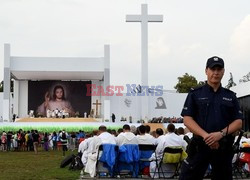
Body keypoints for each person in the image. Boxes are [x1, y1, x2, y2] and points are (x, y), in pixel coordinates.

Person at [179, 56, 243, 180]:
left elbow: (238, 122)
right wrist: (206, 136)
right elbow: (187, 120)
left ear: (223, 72)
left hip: (223, 148)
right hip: (199, 146)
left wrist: (220, 134)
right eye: (213, 69)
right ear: (206, 71)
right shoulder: (195, 94)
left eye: (219, 69)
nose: (216, 72)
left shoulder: (230, 96)